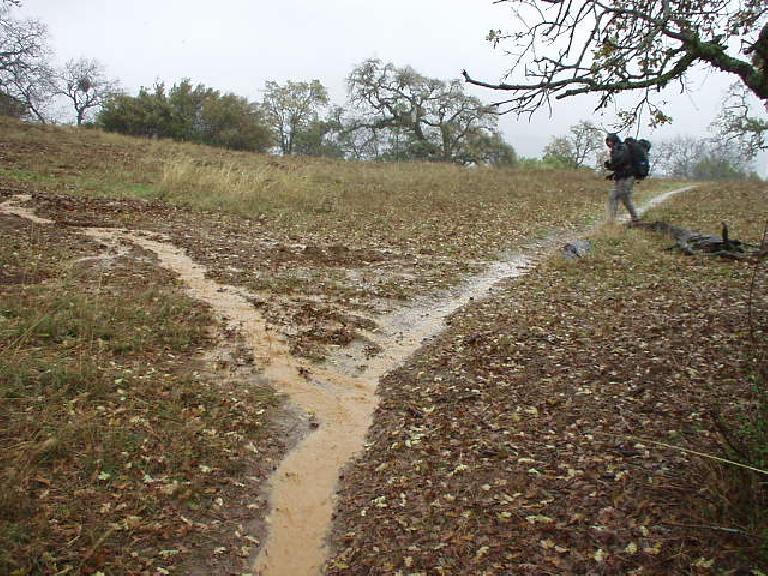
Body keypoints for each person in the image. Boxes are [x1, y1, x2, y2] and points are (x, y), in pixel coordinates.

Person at [604, 133, 640, 224]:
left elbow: (621, 161)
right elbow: (617, 165)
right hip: (620, 176)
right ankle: (610, 220)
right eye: (608, 141)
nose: (609, 143)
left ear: (615, 141)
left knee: (624, 196)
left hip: (629, 176)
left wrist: (611, 162)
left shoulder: (622, 148)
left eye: (610, 141)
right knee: (613, 196)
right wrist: (610, 167)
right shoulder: (614, 150)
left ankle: (635, 217)